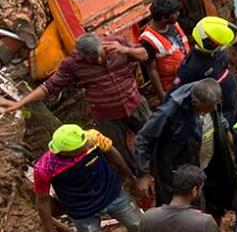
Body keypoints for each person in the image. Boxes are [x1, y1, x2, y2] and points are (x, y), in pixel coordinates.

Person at [1, 34, 150, 171]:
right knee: (120, 150)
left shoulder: (117, 43)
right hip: (108, 117)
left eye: (99, 55)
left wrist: (126, 50)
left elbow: (144, 55)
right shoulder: (73, 64)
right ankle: (139, 175)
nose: (98, 61)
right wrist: (20, 103)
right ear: (81, 56)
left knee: (154, 133)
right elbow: (48, 86)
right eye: (91, 59)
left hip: (135, 103)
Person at [34, 125, 141, 232]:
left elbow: (111, 152)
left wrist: (130, 176)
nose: (87, 146)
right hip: (82, 211)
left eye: (85, 142)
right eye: (81, 147)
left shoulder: (92, 137)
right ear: (65, 153)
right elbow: (42, 200)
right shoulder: (45, 168)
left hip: (112, 193)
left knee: (140, 226)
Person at [135, 79, 236, 220]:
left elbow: (220, 120)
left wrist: (230, 141)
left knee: (211, 199)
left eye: (215, 106)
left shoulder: (210, 98)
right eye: (209, 108)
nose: (213, 110)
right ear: (196, 104)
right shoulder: (169, 113)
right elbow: (144, 139)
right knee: (179, 211)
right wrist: (142, 174)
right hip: (177, 170)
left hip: (206, 162)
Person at [175, 16, 237, 124]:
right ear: (208, 43)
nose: (221, 48)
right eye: (219, 45)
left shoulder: (217, 51)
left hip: (232, 99)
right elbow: (179, 96)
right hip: (218, 109)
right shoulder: (190, 68)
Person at [139, 0, 191, 100]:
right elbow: (152, 71)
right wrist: (162, 96)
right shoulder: (147, 40)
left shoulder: (174, 24)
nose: (178, 14)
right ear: (164, 18)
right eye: (175, 13)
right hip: (173, 88)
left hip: (187, 78)